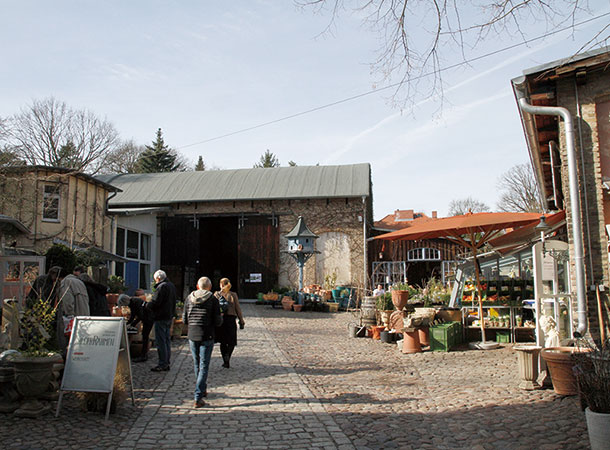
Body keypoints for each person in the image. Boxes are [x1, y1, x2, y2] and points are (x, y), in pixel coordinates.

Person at [183, 276, 222, 408]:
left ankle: (202, 388)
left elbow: (184, 319)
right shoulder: (212, 299)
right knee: (204, 365)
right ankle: (198, 396)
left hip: (193, 334)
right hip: (207, 334)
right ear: (209, 287)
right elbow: (217, 320)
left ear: (198, 286)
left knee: (197, 363)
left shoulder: (189, 298)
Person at [145, 269, 177, 372]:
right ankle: (166, 362)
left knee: (161, 341)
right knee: (166, 340)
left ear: (158, 278)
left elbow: (156, 302)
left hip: (161, 316)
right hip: (168, 316)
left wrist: (147, 305)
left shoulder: (161, 287)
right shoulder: (171, 285)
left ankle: (162, 363)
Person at [214, 278, 245, 369]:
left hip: (221, 319)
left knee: (222, 341)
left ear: (220, 285)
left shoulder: (216, 294)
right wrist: (241, 320)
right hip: (231, 320)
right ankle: (228, 355)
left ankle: (225, 360)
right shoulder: (233, 295)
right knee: (231, 341)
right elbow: (238, 309)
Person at [118, 293, 154, 362]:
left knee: (145, 336)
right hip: (147, 317)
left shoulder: (135, 302)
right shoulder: (133, 301)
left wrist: (132, 324)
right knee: (145, 336)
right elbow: (133, 315)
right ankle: (144, 354)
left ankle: (143, 355)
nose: (125, 306)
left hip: (148, 318)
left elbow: (140, 315)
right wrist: (127, 323)